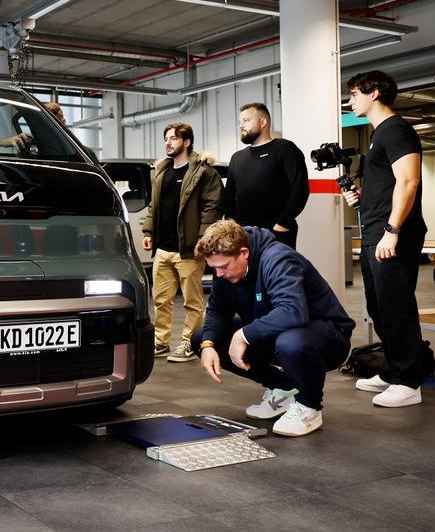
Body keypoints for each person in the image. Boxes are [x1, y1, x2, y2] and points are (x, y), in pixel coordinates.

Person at [192, 220, 355, 436]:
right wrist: (208, 344)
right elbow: (217, 312)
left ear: (243, 253)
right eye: (214, 268)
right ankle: (284, 389)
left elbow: (293, 311)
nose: (219, 274)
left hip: (327, 336)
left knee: (290, 343)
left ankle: (309, 406)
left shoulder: (277, 258)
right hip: (281, 332)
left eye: (223, 267)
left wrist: (243, 335)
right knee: (201, 337)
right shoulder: (224, 268)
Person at [343, 70, 434, 408]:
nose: (350, 100)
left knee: (396, 306)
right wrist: (362, 195)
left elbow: (408, 181)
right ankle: (393, 369)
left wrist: (392, 230)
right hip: (376, 231)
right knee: (378, 307)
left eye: (354, 93)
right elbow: (388, 185)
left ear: (375, 92)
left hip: (392, 233)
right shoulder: (379, 134)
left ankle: (410, 381)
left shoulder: (396, 130)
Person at [141, 122, 224, 363]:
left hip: (188, 249)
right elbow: (153, 206)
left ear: (186, 142)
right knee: (161, 299)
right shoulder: (161, 171)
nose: (167, 142)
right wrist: (148, 231)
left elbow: (211, 209)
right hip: (163, 249)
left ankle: (190, 342)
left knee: (192, 301)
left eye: (173, 139)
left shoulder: (203, 173)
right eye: (166, 138)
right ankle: (161, 342)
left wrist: (201, 240)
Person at [223, 102, 309, 249]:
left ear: (263, 122)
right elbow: (229, 197)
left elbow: (300, 188)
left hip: (277, 232)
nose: (241, 125)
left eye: (246, 120)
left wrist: (283, 223)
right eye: (239, 122)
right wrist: (233, 227)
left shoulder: (284, 148)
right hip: (243, 234)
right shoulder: (237, 158)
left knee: (278, 271)